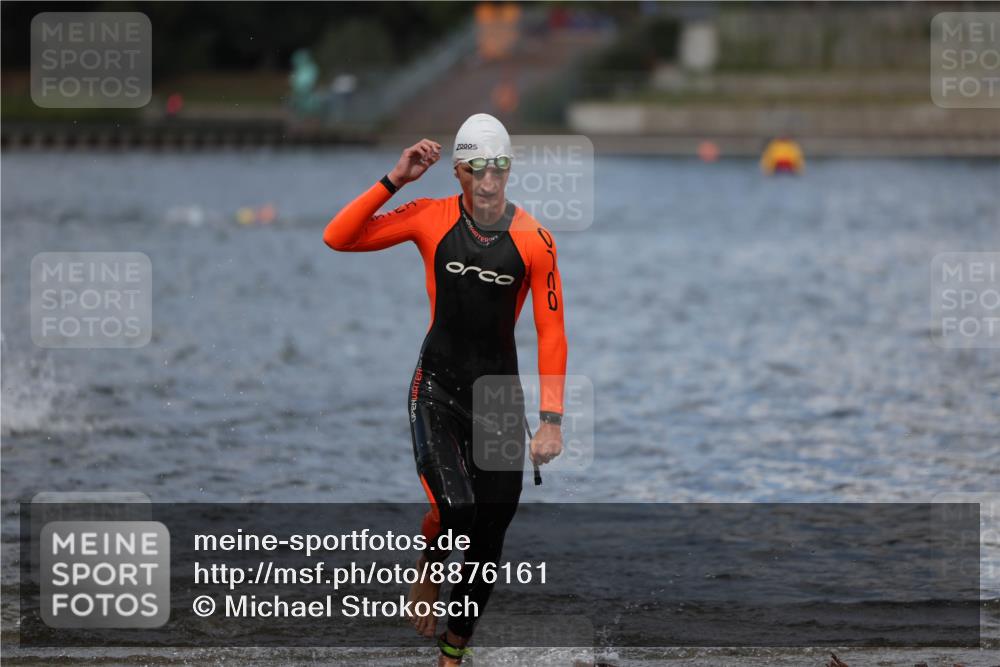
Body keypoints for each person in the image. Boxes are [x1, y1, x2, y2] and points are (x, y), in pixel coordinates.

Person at [323, 113, 568, 665]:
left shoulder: (535, 240)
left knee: (488, 536)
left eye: (499, 167)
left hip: (499, 400)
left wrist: (551, 420)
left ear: (509, 169)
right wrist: (395, 179)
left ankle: (451, 656)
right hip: (436, 386)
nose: (489, 180)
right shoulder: (429, 217)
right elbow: (337, 237)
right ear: (458, 171)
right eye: (477, 168)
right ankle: (429, 567)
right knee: (457, 510)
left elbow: (552, 331)